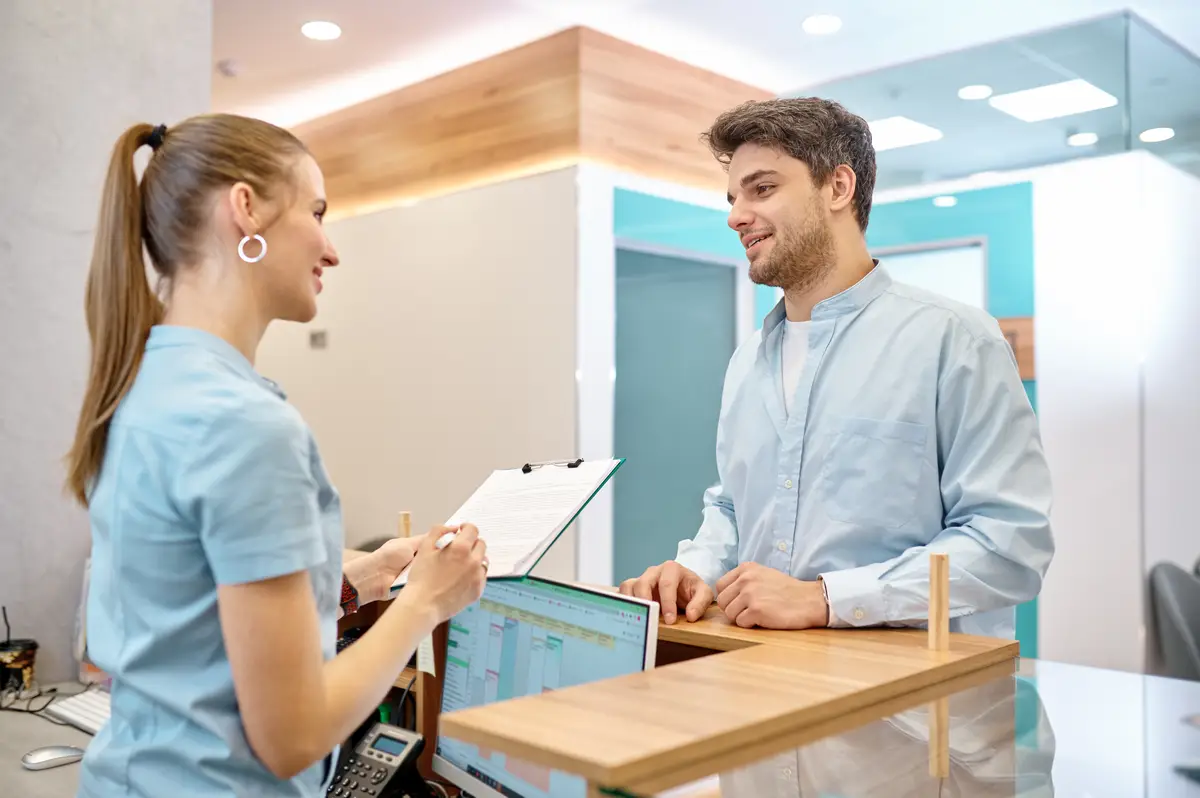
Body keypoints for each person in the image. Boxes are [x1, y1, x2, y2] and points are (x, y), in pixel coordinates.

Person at [65, 114, 488, 797]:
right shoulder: (246, 426)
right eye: (317, 212)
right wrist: (424, 605)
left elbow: (195, 600)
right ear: (246, 209)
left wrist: (353, 579)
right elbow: (292, 733)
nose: (331, 248)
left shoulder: (144, 383)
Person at [619, 98, 1053, 640]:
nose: (735, 216)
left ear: (838, 188)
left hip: (913, 711)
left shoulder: (956, 341)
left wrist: (826, 599)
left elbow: (1010, 545)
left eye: (763, 188)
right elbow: (732, 507)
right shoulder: (746, 362)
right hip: (766, 683)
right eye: (733, 198)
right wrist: (696, 570)